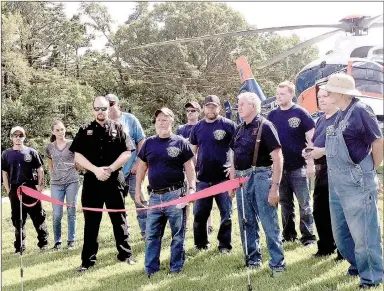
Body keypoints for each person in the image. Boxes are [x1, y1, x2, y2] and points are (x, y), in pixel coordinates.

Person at [320, 73, 383, 289]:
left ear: (339, 92)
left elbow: (378, 141)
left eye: (329, 89)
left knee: (365, 234)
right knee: (341, 234)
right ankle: (357, 266)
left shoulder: (361, 110)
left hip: (357, 181)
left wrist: (370, 171)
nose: (326, 93)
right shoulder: (340, 114)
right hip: (338, 183)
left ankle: (372, 277)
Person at [70, 96, 136, 272]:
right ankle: (87, 262)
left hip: (114, 181)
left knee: (119, 220)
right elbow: (77, 156)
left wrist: (110, 169)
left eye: (104, 108)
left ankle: (126, 255)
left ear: (109, 109)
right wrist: (95, 170)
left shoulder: (119, 128)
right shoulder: (84, 130)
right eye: (97, 108)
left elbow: (127, 152)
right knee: (91, 223)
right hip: (92, 182)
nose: (100, 111)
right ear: (93, 110)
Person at [229, 92, 285, 276]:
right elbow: (232, 155)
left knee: (269, 222)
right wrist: (232, 180)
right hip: (241, 179)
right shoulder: (238, 129)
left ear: (253, 106)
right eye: (238, 103)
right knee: (246, 221)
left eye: (242, 103)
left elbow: (278, 158)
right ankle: (253, 259)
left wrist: (275, 187)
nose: (239, 107)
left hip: (261, 177)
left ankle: (277, 264)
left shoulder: (266, 126)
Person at [135, 107, 196, 276]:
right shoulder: (148, 143)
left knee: (177, 235)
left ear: (172, 121)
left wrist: (191, 189)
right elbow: (142, 166)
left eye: (165, 119)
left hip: (176, 195)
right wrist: (138, 189)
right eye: (159, 120)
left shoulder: (181, 142)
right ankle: (151, 270)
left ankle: (176, 268)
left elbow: (190, 169)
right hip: (154, 196)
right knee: (152, 235)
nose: (161, 123)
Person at [267, 81, 316, 246]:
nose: (278, 96)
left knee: (304, 203)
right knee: (285, 204)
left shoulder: (301, 113)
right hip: (280, 169)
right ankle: (289, 235)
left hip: (299, 167)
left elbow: (311, 139)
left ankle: (308, 237)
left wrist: (310, 163)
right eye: (277, 93)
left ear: (291, 95)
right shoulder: (272, 115)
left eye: (282, 94)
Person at [190, 95, 236, 253]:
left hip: (223, 179)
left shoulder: (229, 125)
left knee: (226, 215)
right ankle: (201, 244)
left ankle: (224, 245)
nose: (211, 110)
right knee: (199, 214)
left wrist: (233, 168)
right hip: (203, 179)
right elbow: (192, 152)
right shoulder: (197, 127)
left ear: (219, 108)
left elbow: (237, 148)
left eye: (214, 107)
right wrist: (193, 172)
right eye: (208, 107)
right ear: (203, 108)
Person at [302, 89, 343, 259]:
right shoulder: (319, 120)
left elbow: (344, 145)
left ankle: (343, 251)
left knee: (338, 213)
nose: (322, 100)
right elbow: (315, 143)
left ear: (334, 97)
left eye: (325, 96)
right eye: (319, 97)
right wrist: (309, 152)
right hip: (321, 172)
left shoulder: (341, 118)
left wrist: (322, 152)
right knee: (320, 211)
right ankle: (326, 247)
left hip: (337, 169)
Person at [1, 126, 49, 253]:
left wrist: (40, 185)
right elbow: (4, 173)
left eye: (20, 135)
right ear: (11, 137)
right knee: (18, 219)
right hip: (15, 189)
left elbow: (40, 169)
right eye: (15, 135)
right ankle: (19, 247)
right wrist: (8, 189)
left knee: (38, 216)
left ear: (24, 137)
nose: (18, 138)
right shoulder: (6, 154)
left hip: (30, 188)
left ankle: (43, 243)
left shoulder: (31, 152)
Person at [106, 93, 147, 239]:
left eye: (111, 104)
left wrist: (138, 162)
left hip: (133, 169)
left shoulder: (130, 119)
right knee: (118, 205)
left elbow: (141, 141)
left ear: (118, 104)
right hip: (115, 172)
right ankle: (124, 233)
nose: (108, 107)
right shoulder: (103, 122)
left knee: (139, 200)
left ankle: (147, 232)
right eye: (106, 105)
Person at [176, 101, 213, 233]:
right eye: (188, 111)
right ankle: (184, 224)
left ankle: (209, 224)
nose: (190, 113)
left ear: (199, 112)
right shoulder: (181, 129)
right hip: (185, 168)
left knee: (203, 198)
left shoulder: (203, 126)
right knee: (185, 196)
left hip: (201, 167)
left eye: (193, 110)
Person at [45, 120, 80, 251]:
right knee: (57, 214)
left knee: (71, 211)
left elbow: (78, 162)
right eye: (57, 130)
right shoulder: (49, 147)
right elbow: (50, 163)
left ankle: (71, 241)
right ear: (53, 132)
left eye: (62, 129)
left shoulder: (72, 144)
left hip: (72, 181)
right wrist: (53, 172)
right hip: (56, 184)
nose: (60, 132)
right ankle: (57, 242)